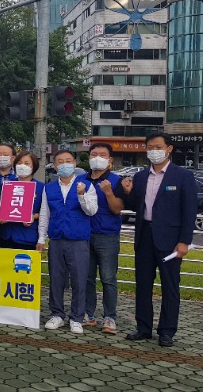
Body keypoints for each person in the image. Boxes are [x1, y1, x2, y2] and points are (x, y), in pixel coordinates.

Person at [121, 133, 197, 347]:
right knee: (143, 285)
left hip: (170, 240)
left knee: (170, 286)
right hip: (144, 236)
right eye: (149, 147)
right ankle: (143, 327)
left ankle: (167, 331)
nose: (153, 151)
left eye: (157, 147)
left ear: (169, 149)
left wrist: (185, 241)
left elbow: (189, 211)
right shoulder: (140, 177)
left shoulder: (183, 176)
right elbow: (135, 205)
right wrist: (128, 192)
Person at [38, 150, 98, 335]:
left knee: (79, 279)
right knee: (56, 278)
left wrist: (82, 195)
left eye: (68, 161)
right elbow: (44, 214)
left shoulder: (86, 185)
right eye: (60, 161)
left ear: (75, 164)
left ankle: (77, 317)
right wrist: (41, 238)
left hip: (78, 239)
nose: (64, 164)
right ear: (55, 166)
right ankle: (57, 314)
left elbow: (92, 211)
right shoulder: (49, 188)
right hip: (57, 238)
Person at [80, 143, 125, 335]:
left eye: (102, 155)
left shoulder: (117, 181)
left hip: (107, 236)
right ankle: (88, 314)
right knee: (87, 277)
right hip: (84, 235)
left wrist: (108, 192)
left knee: (108, 278)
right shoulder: (80, 180)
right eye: (94, 154)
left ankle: (110, 317)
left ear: (110, 160)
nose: (97, 158)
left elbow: (117, 209)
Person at [0, 152, 43, 250]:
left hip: (27, 236)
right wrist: (0, 216)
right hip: (6, 235)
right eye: (19, 163)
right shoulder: (7, 184)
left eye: (26, 163)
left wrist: (33, 216)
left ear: (34, 166)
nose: (22, 166)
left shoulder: (41, 187)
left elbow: (45, 212)